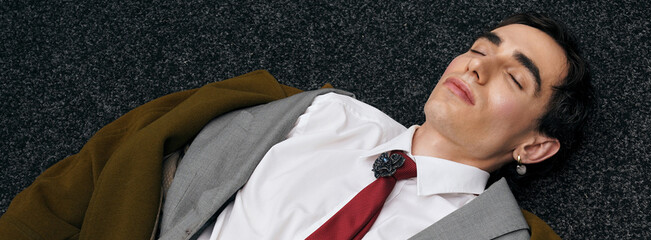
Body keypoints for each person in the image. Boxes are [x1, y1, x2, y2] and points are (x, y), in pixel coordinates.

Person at [0, 12, 593, 240]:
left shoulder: (494, 235)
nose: (477, 66)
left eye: (515, 78)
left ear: (535, 145)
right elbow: (93, 176)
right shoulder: (314, 116)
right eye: (479, 48)